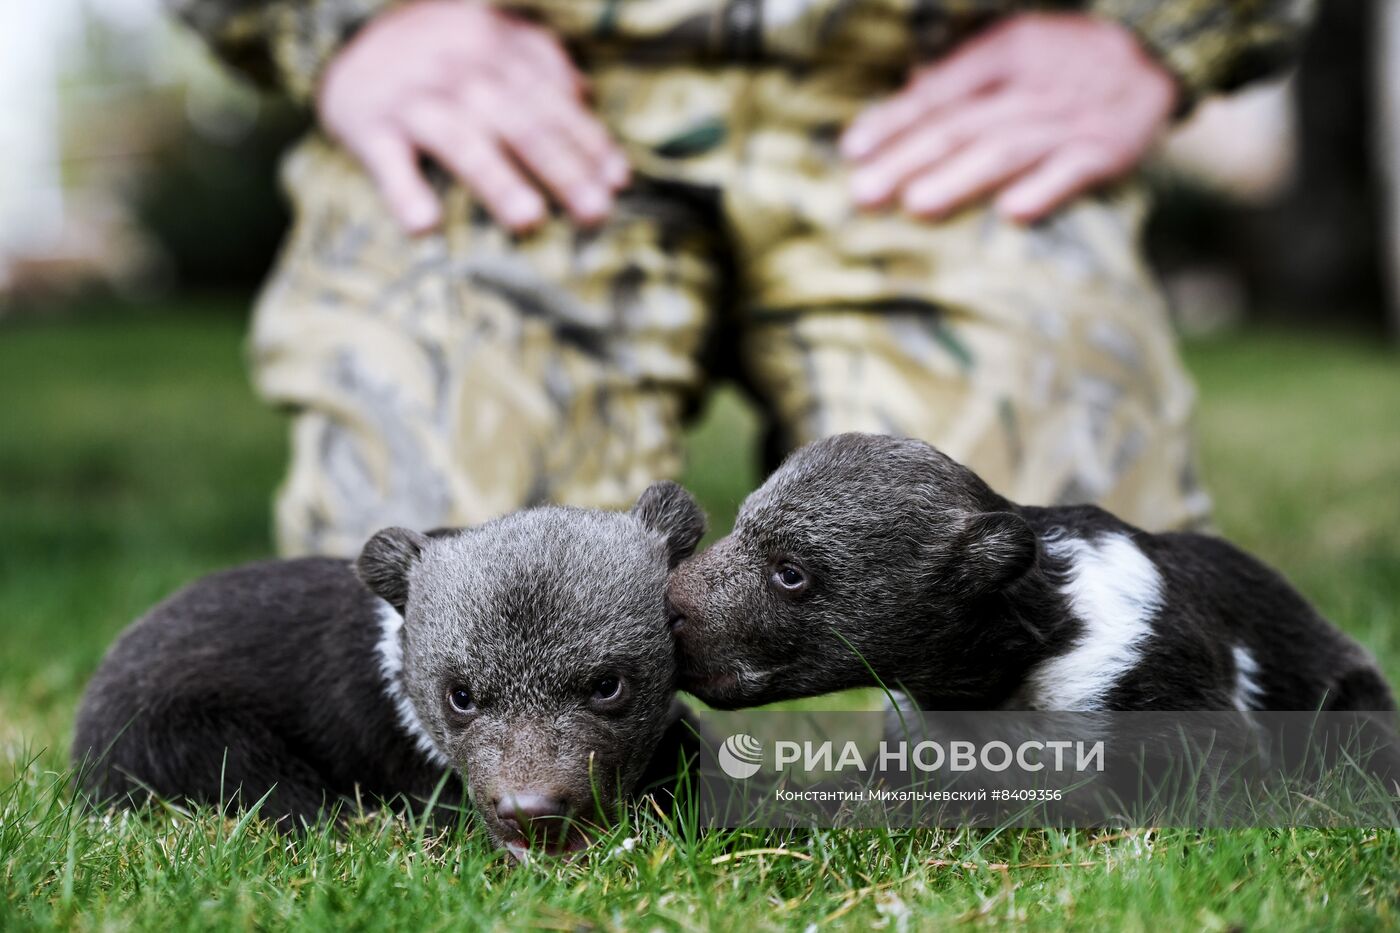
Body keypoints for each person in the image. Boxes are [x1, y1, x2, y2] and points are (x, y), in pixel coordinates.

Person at [167, 0, 1312, 557]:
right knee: (435, 638)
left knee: (1090, 671)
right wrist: (348, 25)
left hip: (937, 100)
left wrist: (1156, 35)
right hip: (503, 89)